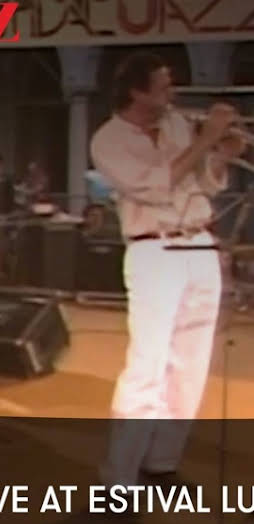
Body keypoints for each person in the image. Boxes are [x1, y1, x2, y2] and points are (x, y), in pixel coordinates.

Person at [90, 52, 246, 492]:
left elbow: (204, 183)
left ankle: (162, 461)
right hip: (154, 249)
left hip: (200, 243)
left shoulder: (176, 124)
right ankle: (119, 482)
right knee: (148, 365)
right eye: (162, 86)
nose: (172, 93)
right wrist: (206, 138)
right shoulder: (108, 140)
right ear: (136, 92)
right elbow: (156, 187)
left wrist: (222, 154)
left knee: (190, 365)